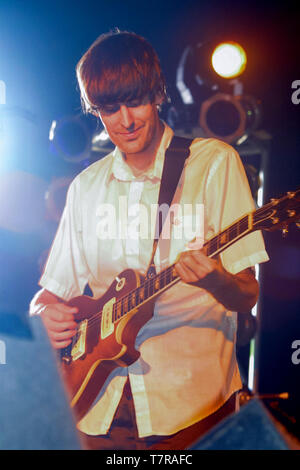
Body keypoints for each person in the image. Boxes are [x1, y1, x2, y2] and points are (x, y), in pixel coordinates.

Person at [30, 30, 269, 450]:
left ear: (157, 92)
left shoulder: (213, 164)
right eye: (108, 109)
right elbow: (48, 295)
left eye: (135, 102)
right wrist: (43, 317)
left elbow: (246, 294)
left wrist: (215, 280)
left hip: (189, 406)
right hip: (96, 407)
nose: (125, 121)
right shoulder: (86, 186)